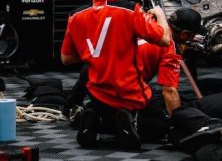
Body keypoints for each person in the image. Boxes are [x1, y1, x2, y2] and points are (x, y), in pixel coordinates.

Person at [60, 0, 171, 149]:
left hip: (97, 92)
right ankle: (125, 121)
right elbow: (164, 40)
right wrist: (160, 15)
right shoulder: (130, 11)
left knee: (100, 103)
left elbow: (66, 59)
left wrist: (95, 51)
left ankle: (95, 118)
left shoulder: (76, 15)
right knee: (162, 126)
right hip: (129, 93)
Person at [62, 7, 210, 141]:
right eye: (192, 36)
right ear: (184, 34)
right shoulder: (169, 48)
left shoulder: (144, 20)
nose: (193, 39)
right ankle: (111, 122)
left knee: (93, 68)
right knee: (160, 124)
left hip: (96, 78)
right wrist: (178, 125)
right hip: (127, 89)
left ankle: (79, 110)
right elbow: (169, 91)